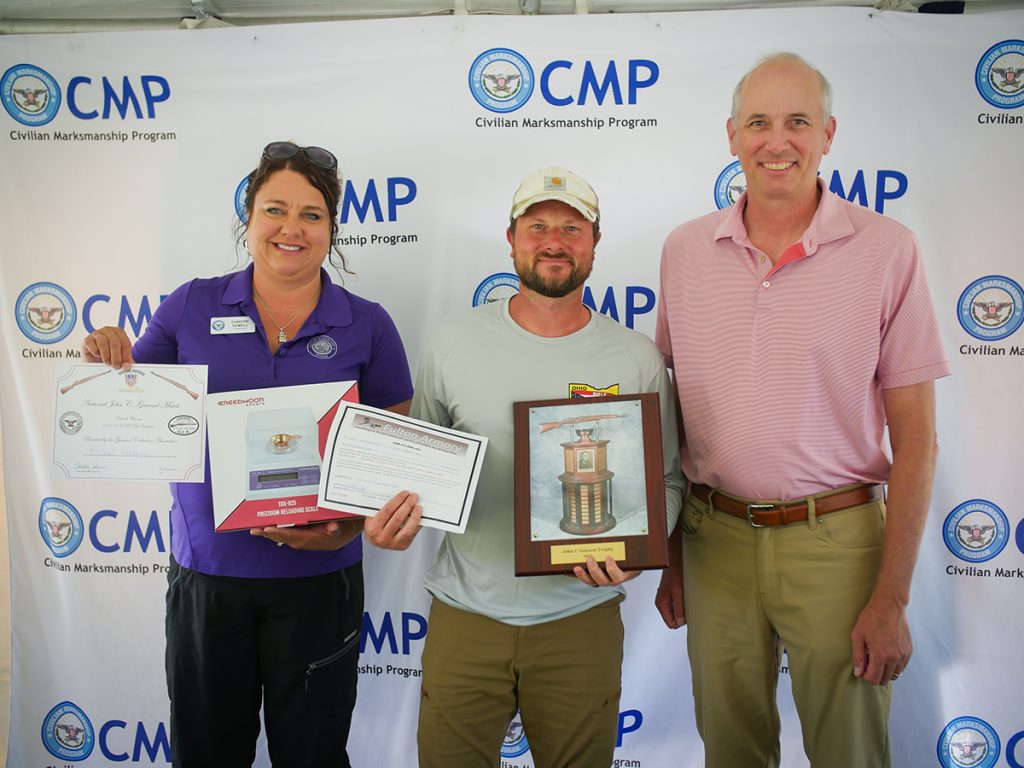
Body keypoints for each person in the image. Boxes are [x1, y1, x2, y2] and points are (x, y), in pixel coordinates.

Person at [654, 53, 951, 768]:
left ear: (828, 133)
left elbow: (917, 441)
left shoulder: (888, 250)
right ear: (731, 135)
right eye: (758, 122)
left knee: (849, 751)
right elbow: (667, 414)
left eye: (797, 122)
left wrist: (892, 600)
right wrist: (667, 553)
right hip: (713, 539)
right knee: (730, 751)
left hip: (838, 545)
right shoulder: (686, 251)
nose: (776, 141)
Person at [82, 141, 414, 767]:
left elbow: (389, 455)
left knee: (312, 755)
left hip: (320, 582)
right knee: (208, 753)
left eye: (312, 214)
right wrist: (108, 353)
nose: (291, 228)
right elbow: (131, 393)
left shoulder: (367, 324)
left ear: (332, 228)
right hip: (209, 578)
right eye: (275, 210)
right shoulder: (192, 304)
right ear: (249, 220)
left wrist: (346, 525)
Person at [367, 167, 684, 768]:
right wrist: (392, 514)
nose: (554, 240)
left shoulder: (637, 357)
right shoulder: (453, 340)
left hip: (580, 620)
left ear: (594, 243)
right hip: (466, 616)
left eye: (572, 226)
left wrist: (634, 548)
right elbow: (418, 467)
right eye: (537, 225)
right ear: (511, 239)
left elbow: (667, 481)